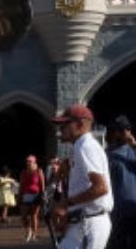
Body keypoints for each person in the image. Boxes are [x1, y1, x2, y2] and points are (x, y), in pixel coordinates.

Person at [53, 104, 115, 249]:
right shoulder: (80, 146)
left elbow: (100, 188)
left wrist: (65, 204)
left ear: (80, 124)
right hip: (82, 222)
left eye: (65, 124)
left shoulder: (86, 146)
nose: (60, 129)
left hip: (90, 223)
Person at [108, 117, 136, 249]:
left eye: (127, 130)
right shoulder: (107, 154)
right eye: (120, 130)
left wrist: (135, 145)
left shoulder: (135, 151)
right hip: (119, 209)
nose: (124, 133)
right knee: (118, 243)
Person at [19, 155, 47, 243]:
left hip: (36, 194)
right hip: (25, 195)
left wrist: (43, 195)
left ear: (34, 162)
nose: (28, 162)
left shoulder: (39, 171)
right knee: (23, 216)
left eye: (30, 161)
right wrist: (19, 195)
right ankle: (28, 231)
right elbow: (21, 185)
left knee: (34, 215)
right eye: (27, 161)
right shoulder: (24, 172)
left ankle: (34, 234)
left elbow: (42, 184)